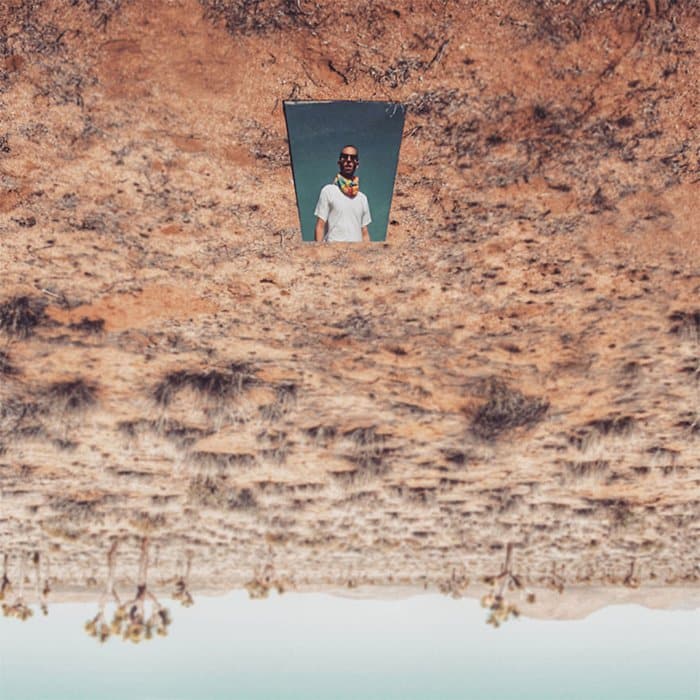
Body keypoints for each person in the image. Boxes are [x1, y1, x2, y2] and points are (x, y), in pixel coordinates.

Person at [314, 145, 371, 242]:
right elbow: (320, 226)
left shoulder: (362, 198)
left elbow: (364, 232)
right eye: (345, 157)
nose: (348, 160)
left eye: (353, 158)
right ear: (339, 162)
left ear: (357, 164)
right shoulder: (328, 191)